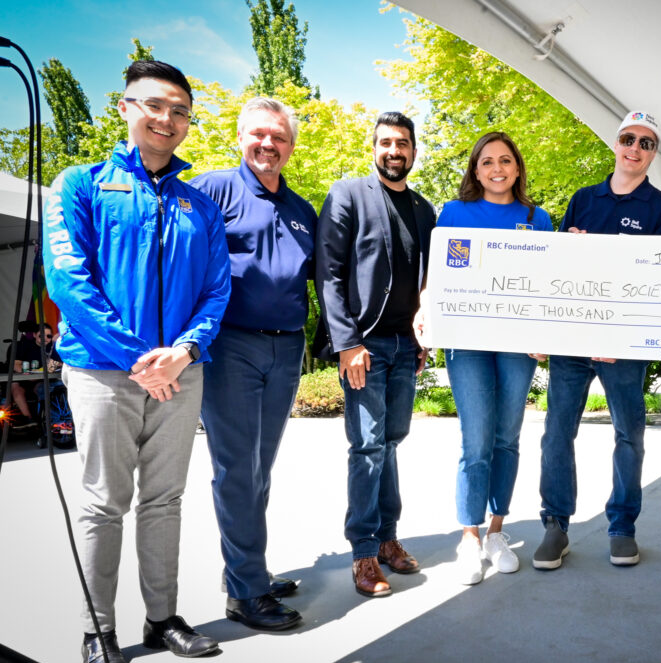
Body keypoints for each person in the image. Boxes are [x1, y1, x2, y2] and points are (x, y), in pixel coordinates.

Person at [43, 60, 230, 663]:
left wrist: (184, 351)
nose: (167, 119)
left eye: (180, 111)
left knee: (165, 501)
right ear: (124, 107)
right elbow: (70, 283)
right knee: (102, 504)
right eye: (155, 105)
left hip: (181, 373)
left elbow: (216, 290)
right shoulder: (81, 184)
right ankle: (98, 631)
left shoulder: (198, 204)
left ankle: (164, 618)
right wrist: (134, 358)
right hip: (102, 373)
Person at [531, 111, 661, 570]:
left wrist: (628, 336)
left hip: (625, 347)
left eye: (646, 142)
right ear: (615, 144)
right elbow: (561, 272)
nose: (635, 148)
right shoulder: (582, 199)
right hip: (573, 341)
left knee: (629, 433)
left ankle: (622, 526)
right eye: (627, 138)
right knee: (557, 432)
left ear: (654, 153)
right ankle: (555, 526)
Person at [190, 97, 316, 631]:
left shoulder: (303, 210)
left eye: (280, 137)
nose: (269, 145)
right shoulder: (212, 189)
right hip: (232, 348)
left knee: (260, 468)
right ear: (242, 137)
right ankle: (245, 593)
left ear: (291, 145)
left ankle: (247, 571)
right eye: (259, 135)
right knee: (237, 470)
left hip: (287, 348)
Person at [316, 112, 435, 598]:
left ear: (413, 150)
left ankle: (387, 538)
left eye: (402, 143)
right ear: (374, 148)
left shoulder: (425, 210)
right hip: (362, 345)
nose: (394, 150)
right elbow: (328, 273)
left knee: (391, 441)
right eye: (386, 142)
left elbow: (431, 284)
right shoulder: (348, 195)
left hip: (405, 347)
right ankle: (363, 552)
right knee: (366, 446)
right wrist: (347, 343)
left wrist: (424, 337)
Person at [435, 132, 554, 584]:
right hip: (467, 342)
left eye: (506, 160)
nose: (497, 168)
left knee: (507, 437)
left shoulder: (536, 218)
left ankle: (496, 532)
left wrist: (545, 331)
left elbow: (549, 282)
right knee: (476, 440)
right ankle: (469, 536)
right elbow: (441, 275)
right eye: (488, 161)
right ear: (476, 169)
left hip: (519, 344)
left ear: (518, 168)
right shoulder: (454, 213)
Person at [7, 322, 58, 427]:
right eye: (41, 335)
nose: (45, 338)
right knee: (15, 387)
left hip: (41, 380)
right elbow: (15, 365)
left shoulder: (52, 348)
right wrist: (28, 374)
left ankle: (50, 419)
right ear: (35, 335)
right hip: (23, 379)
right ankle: (29, 420)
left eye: (49, 336)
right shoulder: (23, 345)